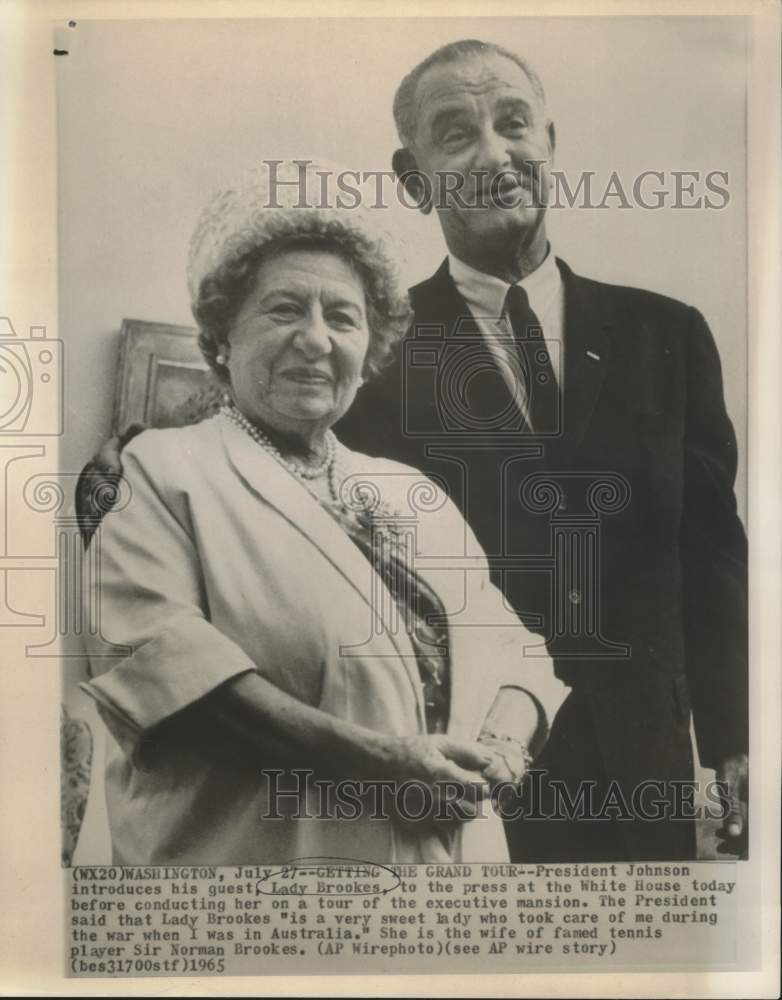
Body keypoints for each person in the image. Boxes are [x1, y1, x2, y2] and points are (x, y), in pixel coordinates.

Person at [336, 39, 749, 861]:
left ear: (549, 142)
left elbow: (710, 551)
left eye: (513, 121)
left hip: (648, 772)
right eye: (455, 134)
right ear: (413, 177)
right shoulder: (378, 359)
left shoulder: (667, 333)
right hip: (475, 779)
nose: (496, 153)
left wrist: (739, 736)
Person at [80, 162, 557, 866]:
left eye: (343, 318)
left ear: (368, 353)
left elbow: (519, 652)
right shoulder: (160, 473)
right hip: (258, 884)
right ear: (220, 338)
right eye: (283, 310)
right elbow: (179, 681)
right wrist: (388, 765)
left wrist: (505, 747)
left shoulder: (407, 490)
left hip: (450, 886)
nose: (315, 339)